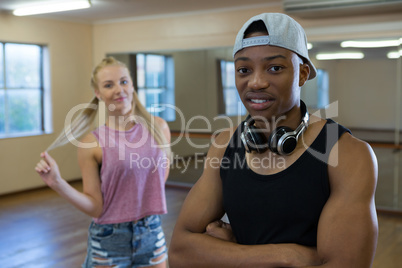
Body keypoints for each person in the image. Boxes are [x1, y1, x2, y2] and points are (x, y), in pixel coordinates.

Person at [169, 13, 378, 267]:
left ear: (302, 74)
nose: (256, 82)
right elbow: (180, 252)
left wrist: (230, 251)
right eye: (244, 70)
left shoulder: (346, 154)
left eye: (275, 68)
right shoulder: (224, 145)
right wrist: (289, 256)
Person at [35, 57, 171, 268]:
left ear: (132, 85)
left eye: (124, 81)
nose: (119, 89)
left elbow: (159, 183)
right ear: (98, 93)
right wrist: (57, 183)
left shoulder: (159, 128)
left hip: (152, 232)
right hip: (109, 239)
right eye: (109, 85)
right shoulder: (91, 143)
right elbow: (96, 207)